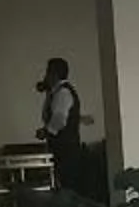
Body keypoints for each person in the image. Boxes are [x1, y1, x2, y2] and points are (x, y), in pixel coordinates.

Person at [34, 56, 95, 196]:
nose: (45, 76)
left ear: (54, 74)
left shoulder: (62, 93)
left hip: (65, 148)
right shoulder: (58, 92)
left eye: (48, 72)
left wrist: (46, 131)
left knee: (68, 187)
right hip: (66, 147)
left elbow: (60, 119)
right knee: (67, 185)